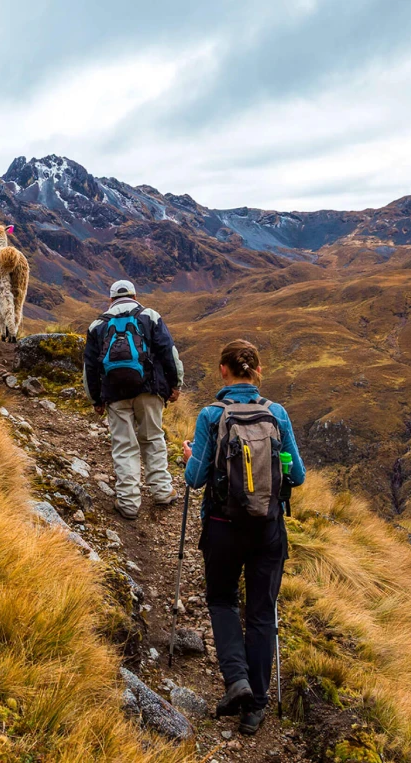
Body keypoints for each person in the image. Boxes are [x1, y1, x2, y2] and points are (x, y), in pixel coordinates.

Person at [182, 339, 305, 735]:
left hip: (222, 527)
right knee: (261, 613)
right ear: (256, 371)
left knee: (221, 601)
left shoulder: (210, 416)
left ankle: (236, 681)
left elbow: (195, 478)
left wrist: (190, 458)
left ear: (223, 371)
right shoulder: (277, 413)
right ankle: (257, 706)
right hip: (268, 529)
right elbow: (298, 476)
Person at [83, 280, 184, 520]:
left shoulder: (97, 324)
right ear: (135, 296)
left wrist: (95, 399)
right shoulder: (149, 316)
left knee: (124, 445)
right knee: (152, 438)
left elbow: (89, 367)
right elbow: (168, 352)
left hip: (115, 393)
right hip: (149, 390)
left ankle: (128, 503)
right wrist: (174, 384)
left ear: (110, 300)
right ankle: (161, 491)